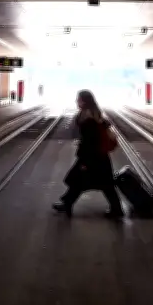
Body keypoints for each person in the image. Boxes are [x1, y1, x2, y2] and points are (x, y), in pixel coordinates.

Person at [53, 90, 123, 219]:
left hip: (93, 157)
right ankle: (68, 203)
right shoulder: (94, 114)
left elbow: (90, 141)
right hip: (98, 156)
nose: (76, 101)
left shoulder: (88, 119)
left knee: (83, 180)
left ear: (84, 101)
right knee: (94, 182)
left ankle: (117, 209)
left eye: (78, 99)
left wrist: (85, 161)